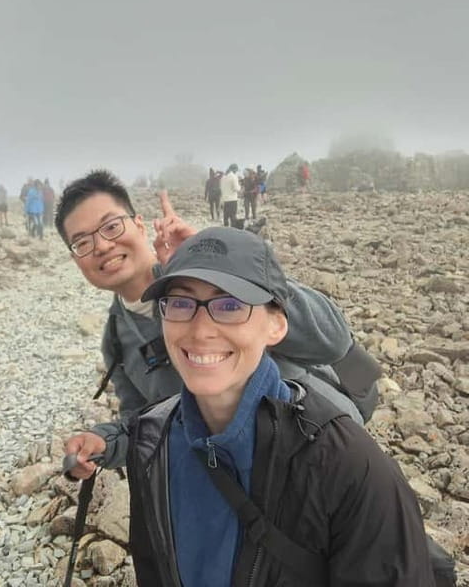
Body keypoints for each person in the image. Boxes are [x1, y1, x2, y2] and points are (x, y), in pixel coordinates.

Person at [128, 227, 434, 586]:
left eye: (230, 305)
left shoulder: (348, 466)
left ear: (276, 326)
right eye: (181, 303)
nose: (200, 331)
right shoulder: (151, 442)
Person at [56, 170, 367, 476]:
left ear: (139, 224)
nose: (102, 246)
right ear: (75, 259)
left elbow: (333, 339)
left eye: (111, 226)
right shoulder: (116, 340)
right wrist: (105, 443)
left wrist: (227, 270)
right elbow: (147, 423)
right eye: (82, 242)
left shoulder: (224, 277)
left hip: (322, 451)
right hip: (240, 478)